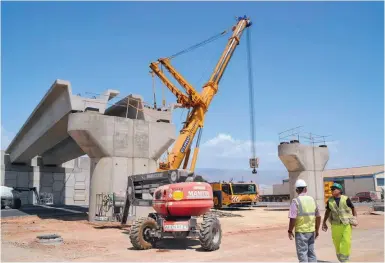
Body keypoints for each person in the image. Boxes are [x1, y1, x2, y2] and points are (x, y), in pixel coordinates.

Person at [322, 182, 358, 263]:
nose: (332, 190)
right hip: (335, 225)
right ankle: (340, 257)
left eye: (334, 189)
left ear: (339, 190)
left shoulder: (345, 199)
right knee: (336, 242)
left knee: (346, 241)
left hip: (346, 224)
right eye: (331, 189)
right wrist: (324, 222)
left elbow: (353, 208)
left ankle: (345, 260)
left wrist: (354, 218)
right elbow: (327, 212)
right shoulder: (330, 200)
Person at [288, 179, 321, 262]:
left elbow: (293, 218)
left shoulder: (296, 201)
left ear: (296, 190)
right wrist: (317, 230)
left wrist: (290, 230)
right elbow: (318, 216)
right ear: (306, 189)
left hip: (301, 232)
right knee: (311, 253)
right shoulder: (312, 200)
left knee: (302, 254)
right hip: (311, 230)